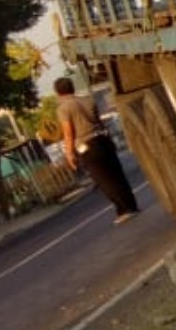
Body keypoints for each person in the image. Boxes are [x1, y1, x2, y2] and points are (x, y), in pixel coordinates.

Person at [55, 77, 139, 224]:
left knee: (104, 180)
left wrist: (69, 153)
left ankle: (123, 209)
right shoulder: (88, 100)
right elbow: (99, 121)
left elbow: (68, 133)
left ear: (58, 92)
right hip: (102, 139)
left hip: (87, 146)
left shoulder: (63, 109)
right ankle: (132, 205)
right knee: (117, 174)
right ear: (72, 87)